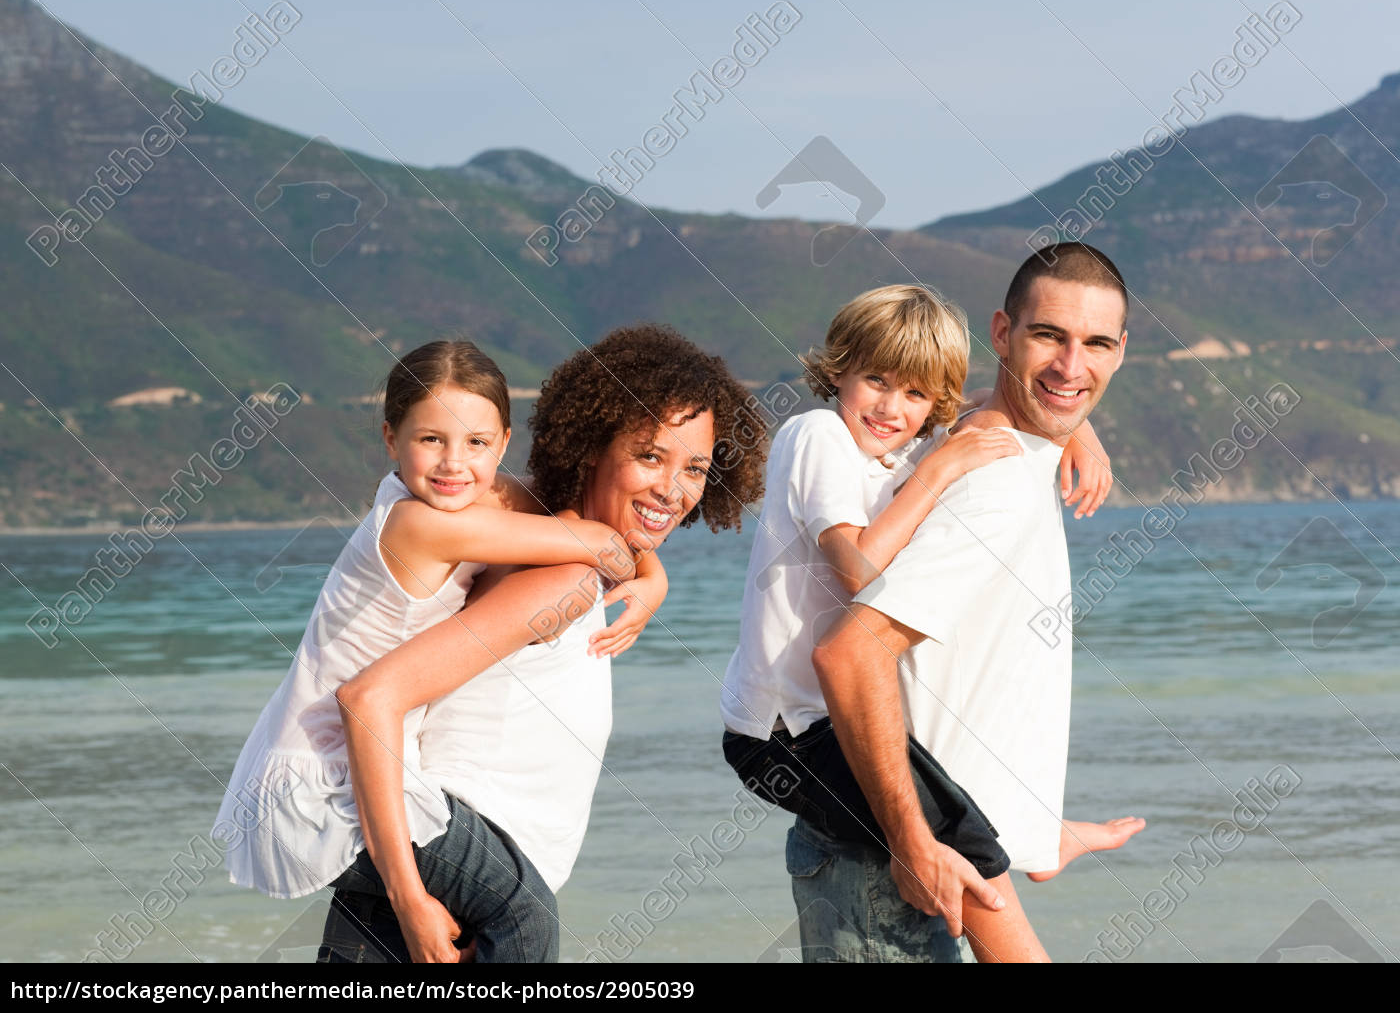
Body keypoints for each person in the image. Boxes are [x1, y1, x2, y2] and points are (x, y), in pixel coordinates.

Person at [319, 324, 768, 962]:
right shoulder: (561, 575)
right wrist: (409, 891)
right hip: (452, 859)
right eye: (649, 456)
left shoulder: (554, 546)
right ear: (592, 448)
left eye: (694, 467)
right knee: (529, 921)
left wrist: (650, 573)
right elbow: (373, 696)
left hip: (431, 848)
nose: (672, 488)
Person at [719, 281, 1132, 962]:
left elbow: (1002, 402)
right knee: (952, 834)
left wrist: (1076, 426)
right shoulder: (818, 435)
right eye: (876, 380)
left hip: (817, 720)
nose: (891, 407)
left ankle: (1036, 833)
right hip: (779, 737)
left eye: (914, 395)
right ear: (838, 369)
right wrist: (939, 468)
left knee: (957, 809)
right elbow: (857, 569)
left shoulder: (893, 451)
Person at [212, 339, 652, 959]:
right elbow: (599, 543)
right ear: (391, 439)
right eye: (430, 440)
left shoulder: (473, 501)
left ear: (502, 443)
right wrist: (411, 899)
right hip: (323, 789)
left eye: (476, 443)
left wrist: (643, 571)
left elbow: (586, 531)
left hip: (336, 776)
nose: (454, 464)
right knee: (520, 912)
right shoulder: (419, 523)